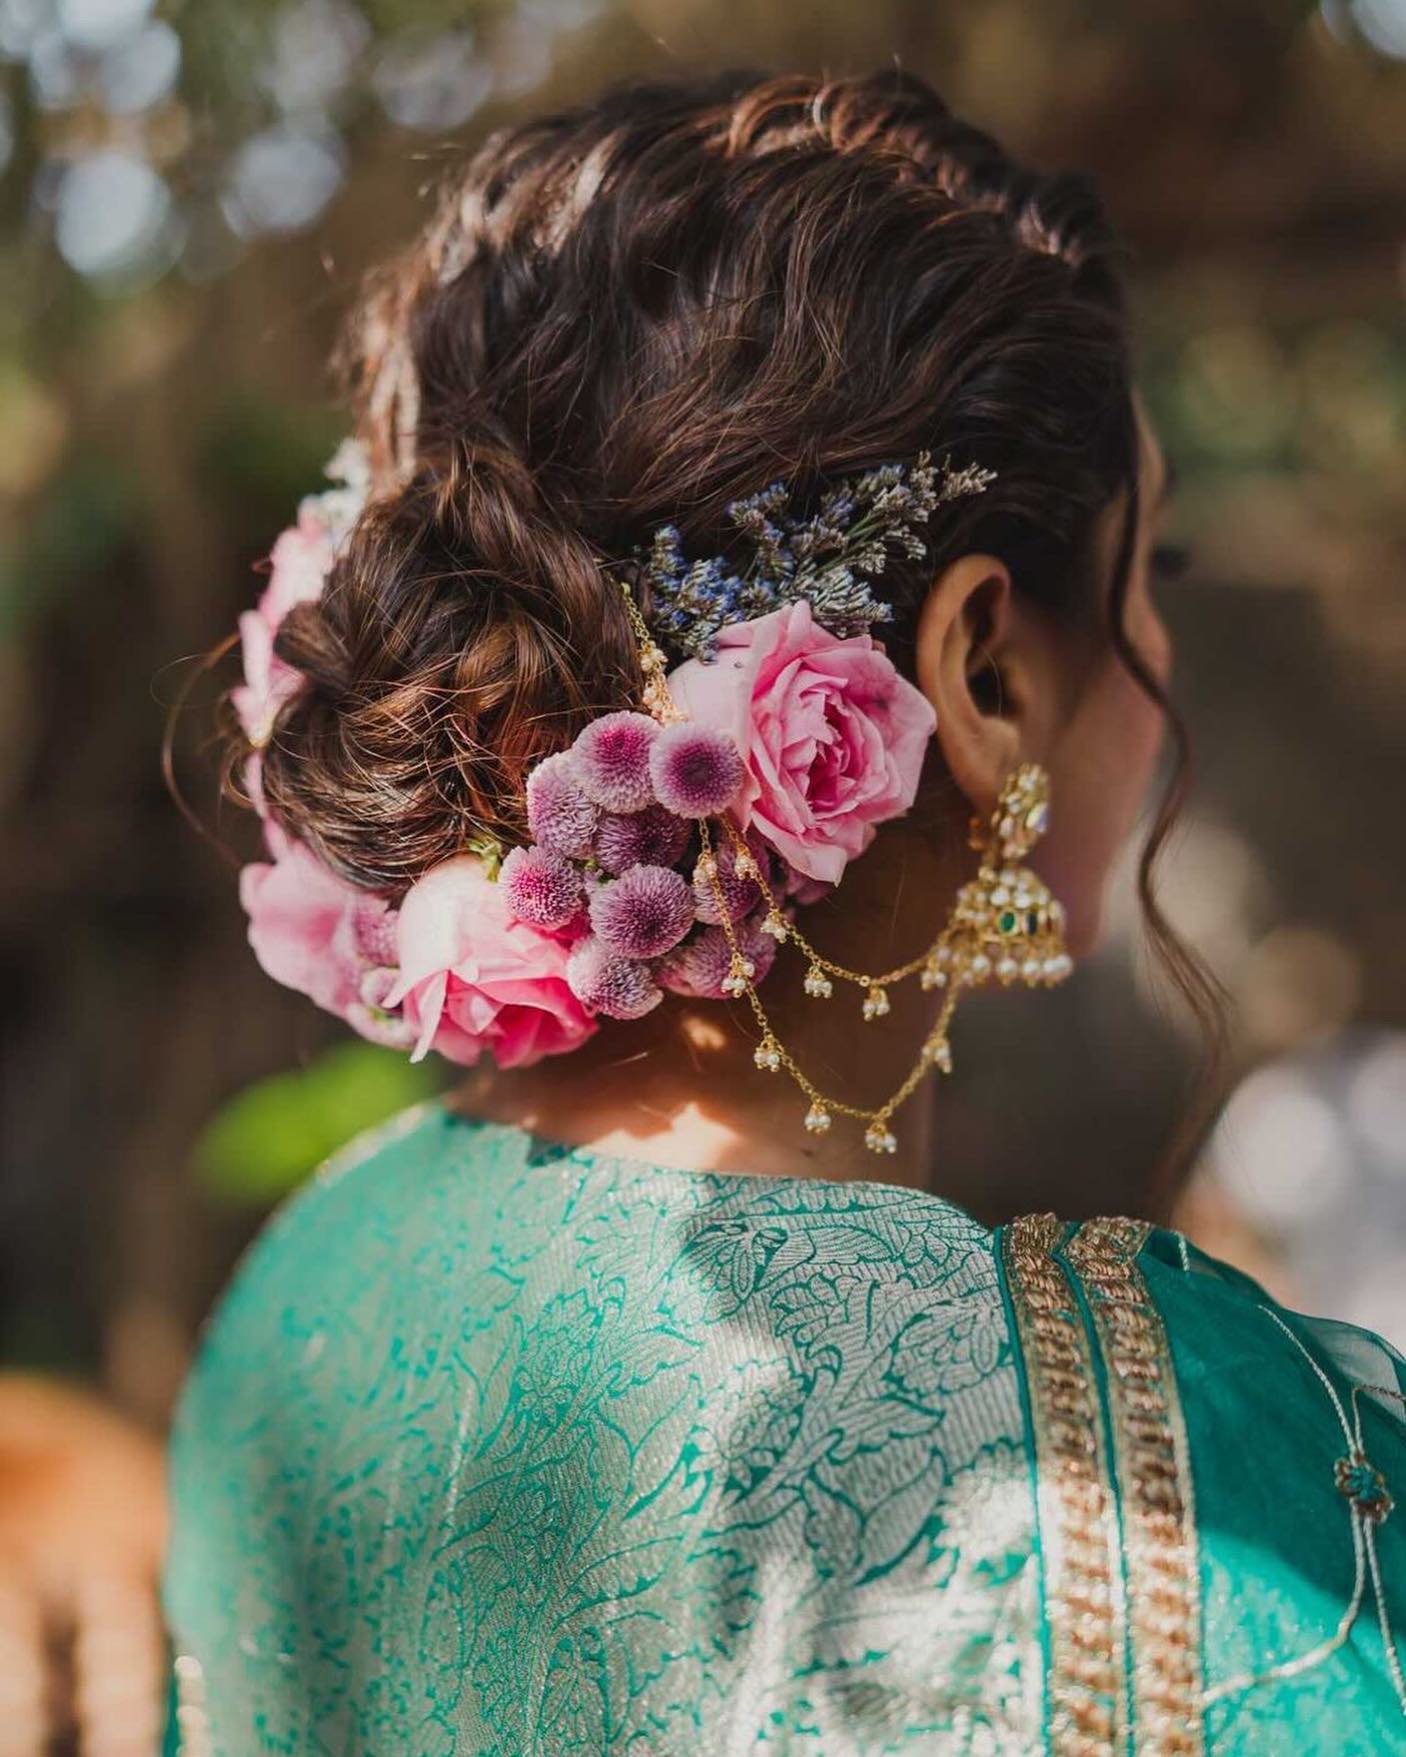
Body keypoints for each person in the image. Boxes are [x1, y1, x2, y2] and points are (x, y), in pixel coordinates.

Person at [164, 70, 1406, 1755]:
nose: (1165, 660)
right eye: (1151, 574)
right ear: (977, 666)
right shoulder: (1167, 1457)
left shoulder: (304, 1277)